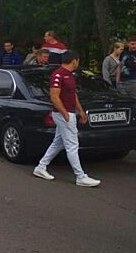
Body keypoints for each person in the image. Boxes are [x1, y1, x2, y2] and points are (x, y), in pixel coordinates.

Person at [33, 51, 100, 187]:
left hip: (69, 113)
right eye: (78, 61)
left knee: (58, 142)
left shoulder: (69, 75)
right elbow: (54, 97)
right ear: (74, 61)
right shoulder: (58, 75)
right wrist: (64, 113)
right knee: (72, 145)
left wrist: (80, 110)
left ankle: (41, 166)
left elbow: (72, 94)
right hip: (64, 114)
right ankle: (80, 176)